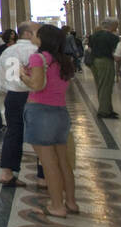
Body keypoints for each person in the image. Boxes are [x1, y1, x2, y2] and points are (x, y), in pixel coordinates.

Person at [19, 24, 79, 217]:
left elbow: (36, 85)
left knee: (48, 162)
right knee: (63, 160)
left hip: (41, 110)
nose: (32, 35)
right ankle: (70, 202)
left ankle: (56, 206)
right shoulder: (63, 60)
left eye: (36, 33)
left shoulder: (38, 58)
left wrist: (22, 75)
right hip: (60, 112)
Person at [0, 21, 39, 187]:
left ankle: (7, 172)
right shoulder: (35, 51)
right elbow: (24, 79)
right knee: (40, 135)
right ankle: (43, 176)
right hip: (31, 96)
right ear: (28, 34)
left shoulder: (8, 51)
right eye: (37, 32)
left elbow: (3, 78)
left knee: (13, 133)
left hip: (12, 95)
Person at [87, 18, 121, 118]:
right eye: (116, 25)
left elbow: (90, 49)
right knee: (106, 85)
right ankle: (104, 111)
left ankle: (107, 108)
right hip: (105, 61)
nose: (117, 27)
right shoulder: (112, 37)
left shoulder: (94, 35)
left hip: (94, 61)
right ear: (112, 26)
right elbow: (116, 50)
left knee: (100, 85)